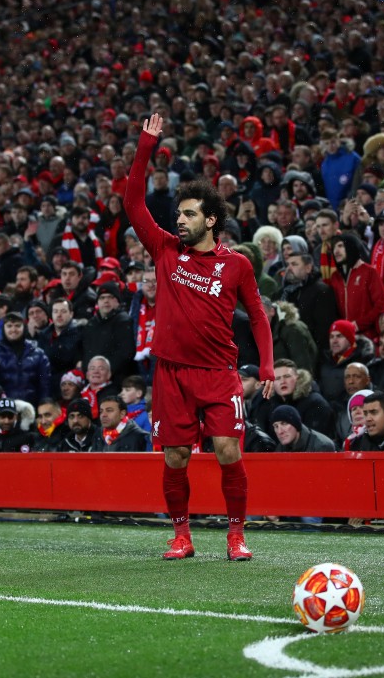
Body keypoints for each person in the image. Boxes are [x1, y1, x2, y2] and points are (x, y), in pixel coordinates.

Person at [124, 113, 275, 561]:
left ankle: (235, 535)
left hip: (218, 373)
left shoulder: (238, 265)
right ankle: (182, 535)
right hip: (170, 373)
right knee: (174, 457)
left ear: (211, 219)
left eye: (189, 214)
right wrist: (145, 147)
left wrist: (266, 364)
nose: (180, 220)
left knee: (228, 451)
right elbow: (133, 204)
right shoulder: (166, 249)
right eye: (178, 213)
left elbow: (259, 314)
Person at [0, 312, 52, 405]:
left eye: (17, 326)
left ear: (24, 328)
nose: (13, 329)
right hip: (4, 409)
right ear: (3, 329)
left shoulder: (38, 353)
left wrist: (43, 407)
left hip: (32, 408)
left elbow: (44, 384)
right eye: (9, 326)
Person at [270, 404, 336, 452]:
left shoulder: (322, 446)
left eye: (284, 424)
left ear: (296, 424)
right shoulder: (281, 448)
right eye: (276, 426)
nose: (280, 431)